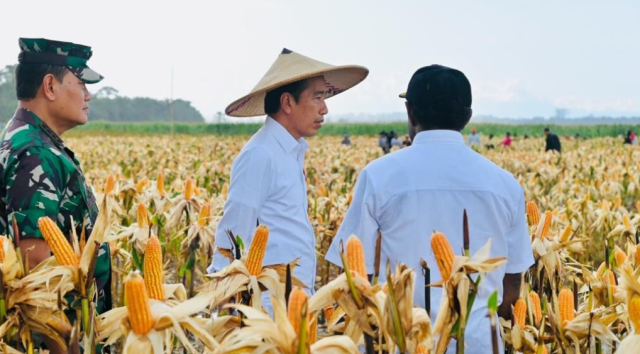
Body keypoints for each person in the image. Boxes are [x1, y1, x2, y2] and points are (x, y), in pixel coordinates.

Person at [325, 64, 534, 353]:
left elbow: (352, 274)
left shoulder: (378, 176)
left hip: (401, 341)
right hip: (478, 342)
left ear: (410, 112)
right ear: (467, 116)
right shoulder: (505, 184)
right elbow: (513, 286)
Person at [208, 49, 368, 303]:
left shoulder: (290, 151)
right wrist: (225, 300)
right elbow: (233, 232)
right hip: (267, 307)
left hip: (291, 302)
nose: (324, 109)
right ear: (287, 103)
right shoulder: (260, 154)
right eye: (317, 97)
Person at [0, 38, 111, 353]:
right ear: (50, 86)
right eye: (81, 84)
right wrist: (67, 347)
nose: (88, 96)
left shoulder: (25, 139)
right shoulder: (35, 153)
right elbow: (36, 267)